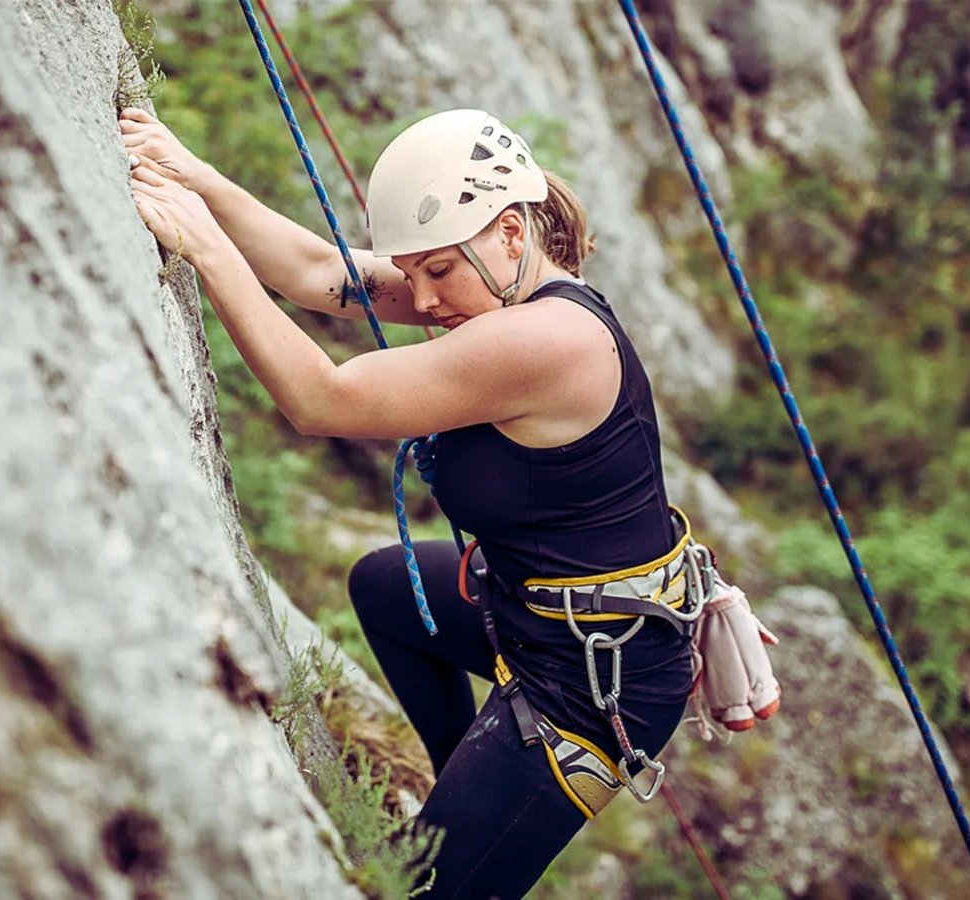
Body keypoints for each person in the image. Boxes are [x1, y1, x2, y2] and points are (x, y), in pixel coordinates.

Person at [123, 106, 699, 899]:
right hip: (534, 611)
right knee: (387, 587)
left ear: (509, 232)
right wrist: (190, 172)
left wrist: (204, 247)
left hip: (595, 680)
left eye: (437, 272)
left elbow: (322, 398)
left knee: (420, 890)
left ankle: (478, 810)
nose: (423, 300)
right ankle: (461, 778)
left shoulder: (546, 340)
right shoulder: (494, 283)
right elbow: (317, 271)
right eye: (413, 272)